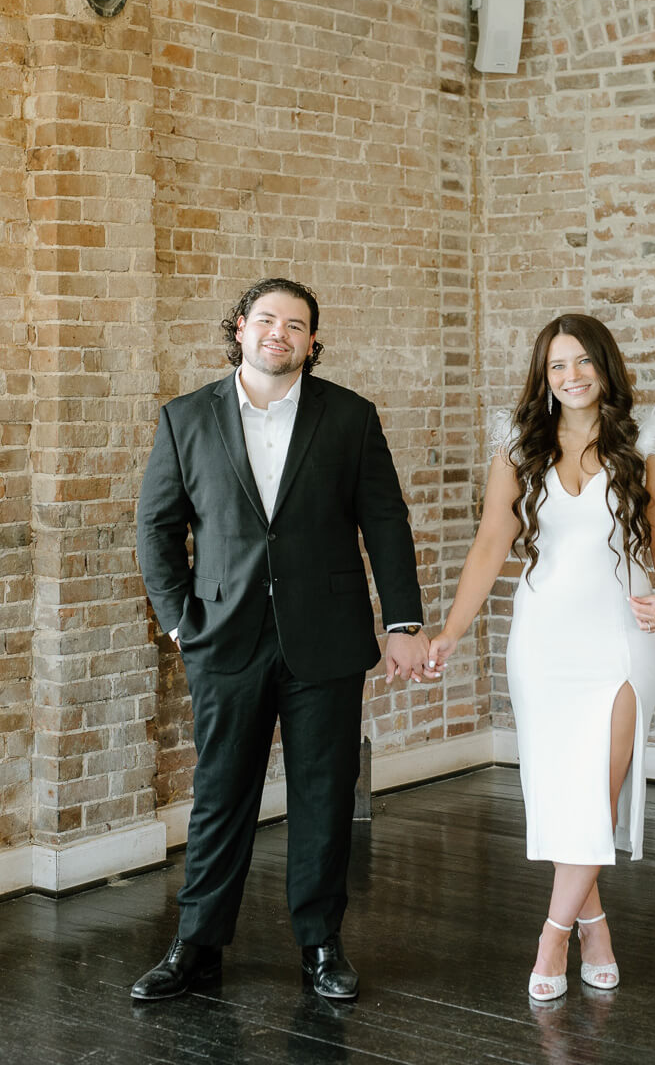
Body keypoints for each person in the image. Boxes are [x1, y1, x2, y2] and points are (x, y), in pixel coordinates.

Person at [132, 278, 434, 1002]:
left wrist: (402, 625)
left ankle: (321, 945)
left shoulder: (351, 417)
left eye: (295, 325)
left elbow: (385, 521)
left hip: (325, 641)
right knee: (220, 794)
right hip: (223, 638)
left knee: (326, 794)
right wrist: (178, 619)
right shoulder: (185, 419)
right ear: (239, 328)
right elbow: (155, 526)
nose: (280, 333)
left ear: (310, 341)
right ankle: (196, 945)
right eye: (266, 319)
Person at [428, 313, 655, 1001]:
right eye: (555, 367)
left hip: (622, 637)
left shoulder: (646, 442)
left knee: (595, 793)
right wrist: (450, 631)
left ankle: (553, 935)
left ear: (605, 365)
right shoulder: (519, 446)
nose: (570, 377)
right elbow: (490, 546)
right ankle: (594, 924)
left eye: (581, 362)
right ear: (543, 378)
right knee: (564, 794)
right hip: (542, 642)